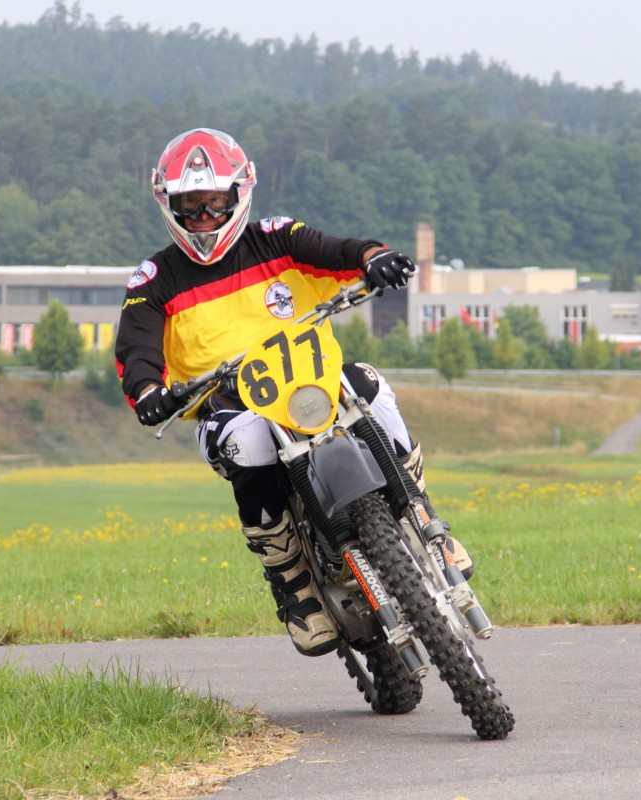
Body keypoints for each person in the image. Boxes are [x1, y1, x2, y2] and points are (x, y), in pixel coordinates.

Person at [115, 128, 470, 657]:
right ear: (169, 204)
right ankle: (294, 582)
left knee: (370, 384)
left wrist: (374, 257)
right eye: (191, 205)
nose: (205, 217)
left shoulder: (277, 238)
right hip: (228, 406)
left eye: (215, 202)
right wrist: (147, 391)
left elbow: (335, 250)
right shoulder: (153, 279)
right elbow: (136, 347)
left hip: (313, 382)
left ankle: (421, 515)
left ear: (239, 194)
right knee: (246, 440)